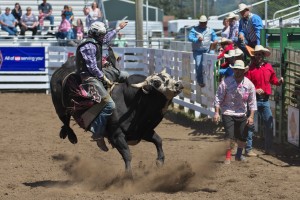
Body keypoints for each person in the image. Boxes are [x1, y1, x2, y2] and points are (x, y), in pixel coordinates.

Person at [76, 21, 128, 151]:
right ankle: (97, 133)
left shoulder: (96, 40)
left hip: (97, 73)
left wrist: (118, 28)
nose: (102, 37)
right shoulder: (88, 46)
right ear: (94, 34)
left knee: (124, 75)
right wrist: (103, 77)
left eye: (102, 35)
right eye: (100, 35)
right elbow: (92, 67)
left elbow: (106, 38)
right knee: (109, 104)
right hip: (88, 77)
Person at [213, 60, 257, 164]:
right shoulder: (225, 82)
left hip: (242, 113)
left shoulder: (249, 85)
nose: (237, 71)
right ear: (233, 70)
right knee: (230, 135)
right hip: (228, 112)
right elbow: (218, 98)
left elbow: (252, 102)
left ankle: (238, 155)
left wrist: (251, 116)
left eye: (239, 69)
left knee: (242, 136)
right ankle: (228, 157)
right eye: (236, 69)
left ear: (243, 71)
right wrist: (216, 112)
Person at [245, 45, 284, 155]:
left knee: (269, 124)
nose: (258, 56)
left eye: (260, 54)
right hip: (253, 100)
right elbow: (246, 85)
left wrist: (279, 82)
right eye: (256, 54)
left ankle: (268, 148)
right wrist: (255, 90)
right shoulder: (250, 69)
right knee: (250, 125)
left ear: (263, 56)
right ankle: (248, 149)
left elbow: (273, 80)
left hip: (265, 100)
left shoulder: (268, 67)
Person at [188, 15, 218, 87]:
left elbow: (214, 37)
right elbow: (190, 37)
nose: (203, 24)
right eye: (202, 22)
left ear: (206, 22)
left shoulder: (210, 30)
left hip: (208, 49)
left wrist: (216, 40)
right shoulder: (194, 29)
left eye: (204, 22)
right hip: (197, 51)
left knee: (213, 60)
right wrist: (197, 39)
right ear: (199, 22)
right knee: (198, 64)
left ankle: (214, 77)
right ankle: (200, 80)